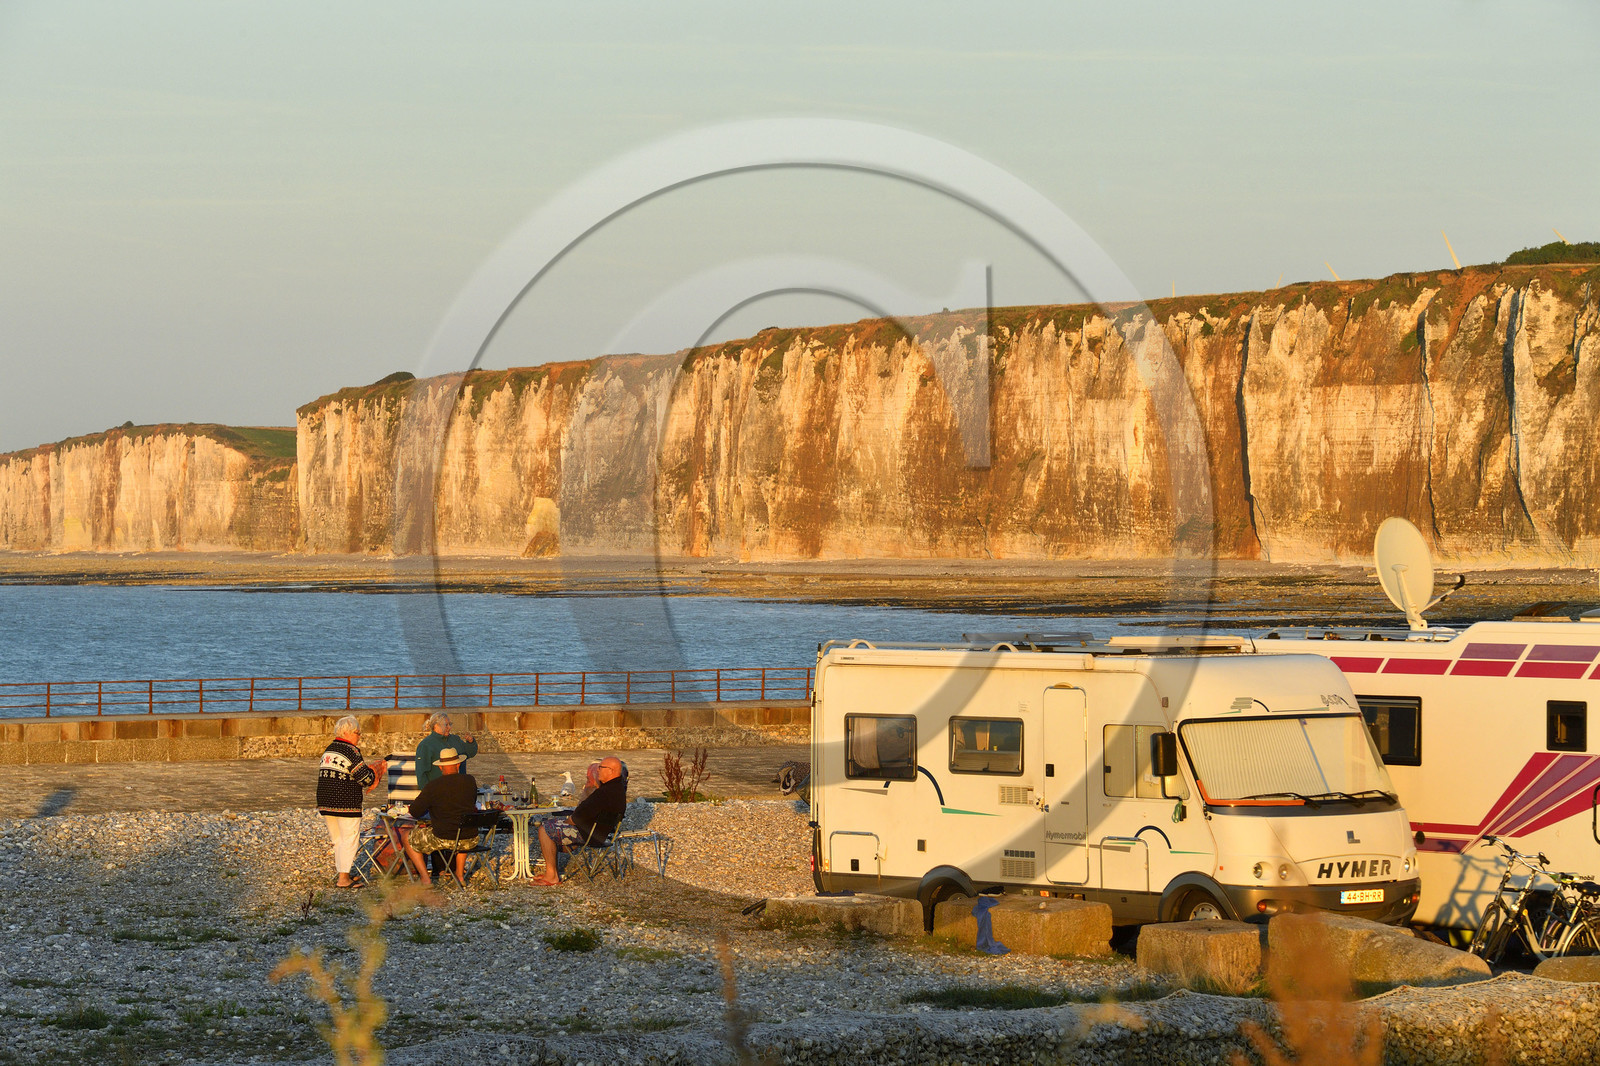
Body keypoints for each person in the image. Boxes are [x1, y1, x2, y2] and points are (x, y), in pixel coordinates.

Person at [531, 756, 627, 886]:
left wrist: (567, 821)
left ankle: (551, 876)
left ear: (611, 770)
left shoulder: (604, 793)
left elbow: (577, 818)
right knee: (554, 825)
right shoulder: (618, 789)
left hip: (590, 834)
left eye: (601, 767)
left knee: (545, 828)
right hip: (603, 833)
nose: (598, 771)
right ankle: (553, 870)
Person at [317, 716, 386, 889]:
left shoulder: (329, 750)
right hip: (346, 801)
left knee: (337, 839)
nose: (359, 736)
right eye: (357, 733)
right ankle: (343, 879)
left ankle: (342, 873)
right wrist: (375, 770)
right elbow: (365, 779)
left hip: (325, 801)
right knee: (349, 838)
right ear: (346, 733)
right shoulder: (351, 751)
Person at [400, 746, 480, 887]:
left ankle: (425, 879)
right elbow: (471, 804)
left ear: (441, 768)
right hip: (470, 839)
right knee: (461, 831)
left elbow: (415, 812)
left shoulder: (433, 786)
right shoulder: (470, 781)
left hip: (444, 839)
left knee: (406, 836)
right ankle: (460, 876)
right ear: (458, 764)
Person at [415, 712, 479, 789]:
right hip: (439, 790)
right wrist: (429, 794)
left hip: (460, 787)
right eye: (446, 725)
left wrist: (470, 743)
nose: (449, 727)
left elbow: (470, 753)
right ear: (436, 726)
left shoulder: (455, 739)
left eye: (450, 724)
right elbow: (421, 774)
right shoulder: (425, 745)